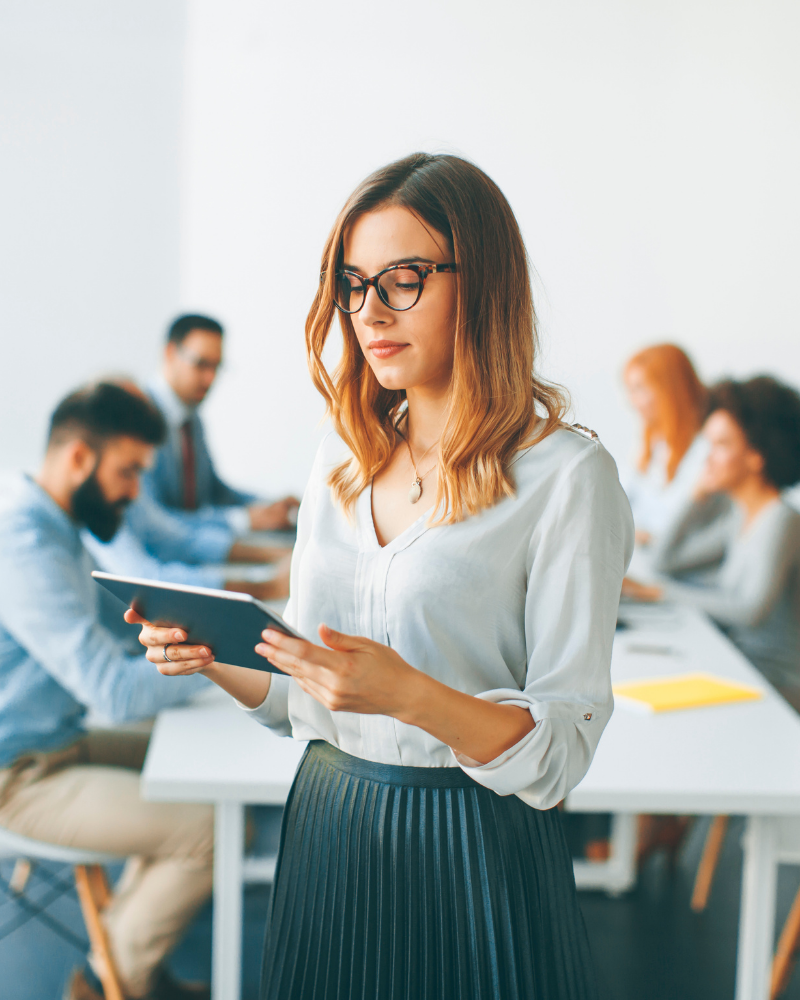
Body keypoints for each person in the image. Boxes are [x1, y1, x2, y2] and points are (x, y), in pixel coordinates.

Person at [128, 153, 634, 1000]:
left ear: (485, 284)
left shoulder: (566, 476)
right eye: (353, 284)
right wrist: (210, 655)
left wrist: (409, 694)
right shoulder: (344, 455)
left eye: (403, 280)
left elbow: (559, 756)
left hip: (474, 846)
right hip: (331, 820)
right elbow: (306, 701)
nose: (369, 312)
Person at [0, 382, 213, 1000]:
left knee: (194, 764)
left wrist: (207, 627)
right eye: (127, 471)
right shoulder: (23, 542)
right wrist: (215, 661)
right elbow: (114, 690)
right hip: (19, 775)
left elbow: (124, 633)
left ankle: (129, 957)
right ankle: (104, 982)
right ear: (77, 459)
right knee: (209, 829)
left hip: (58, 740)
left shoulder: (55, 522)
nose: (134, 491)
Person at [624, 376, 800, 708]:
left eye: (721, 445)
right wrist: (694, 496)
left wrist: (656, 592)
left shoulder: (782, 520)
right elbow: (665, 561)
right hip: (744, 664)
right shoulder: (738, 514)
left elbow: (749, 611)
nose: (707, 459)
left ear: (756, 456)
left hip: (776, 681)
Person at [146, 314, 298, 532]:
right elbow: (157, 521)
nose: (210, 379)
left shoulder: (191, 418)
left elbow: (213, 491)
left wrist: (268, 507)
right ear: (170, 353)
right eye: (201, 364)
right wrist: (243, 520)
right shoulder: (137, 418)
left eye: (216, 367)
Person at [622, 344, 709, 546]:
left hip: (674, 567)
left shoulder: (706, 450)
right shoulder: (648, 445)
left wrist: (635, 534)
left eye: (639, 389)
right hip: (641, 557)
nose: (632, 402)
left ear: (669, 389)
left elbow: (679, 526)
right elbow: (620, 501)